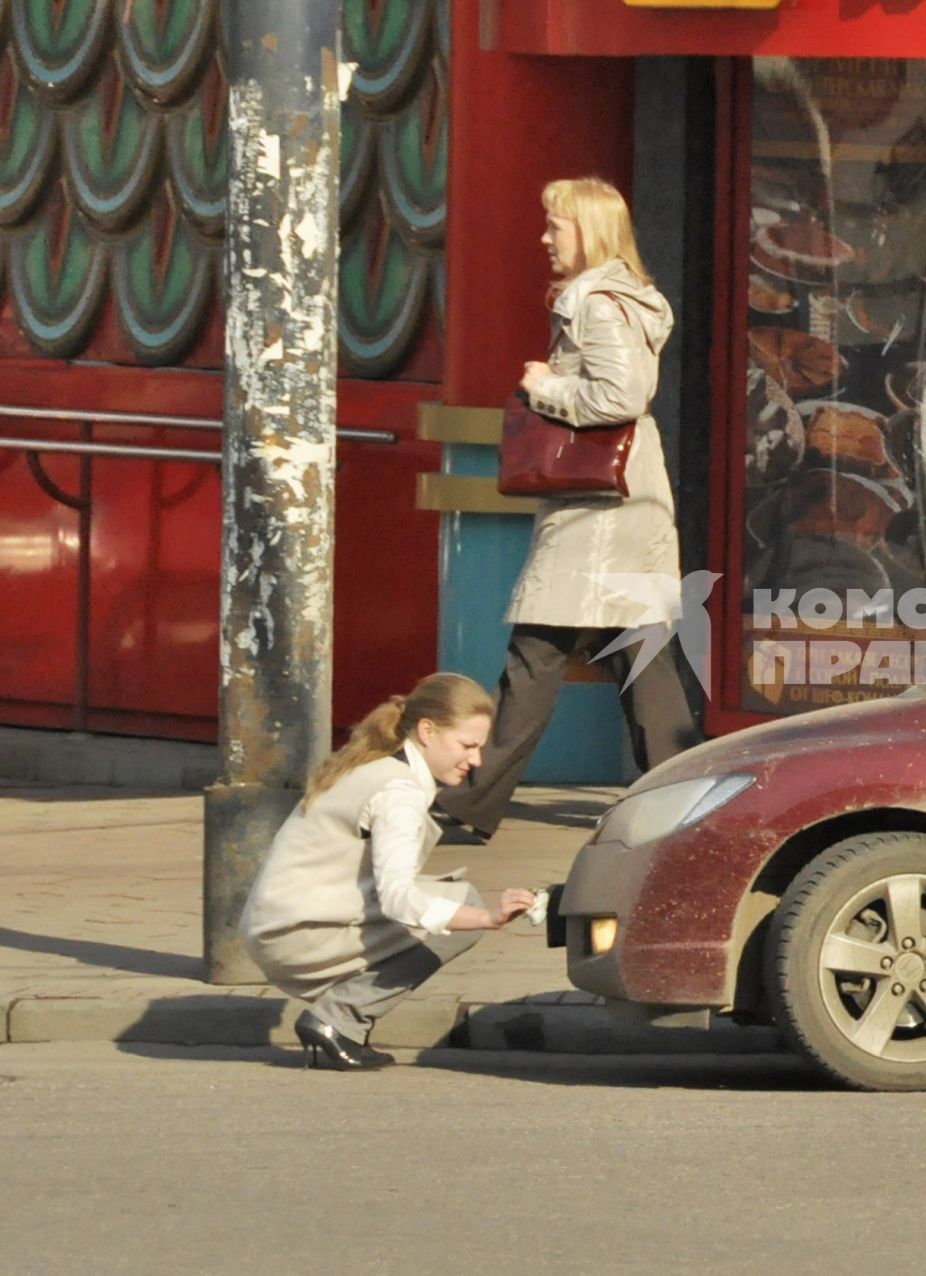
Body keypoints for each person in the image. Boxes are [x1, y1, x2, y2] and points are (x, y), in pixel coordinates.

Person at [435, 176, 701, 841]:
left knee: (538, 653)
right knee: (639, 656)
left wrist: (545, 386)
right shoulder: (626, 299)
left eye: (557, 226)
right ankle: (685, 801)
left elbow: (619, 396)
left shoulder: (597, 303)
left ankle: (470, 802)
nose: (545, 237)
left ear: (591, 231)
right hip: (625, 505)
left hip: (597, 512)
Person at [241, 673, 538, 1070]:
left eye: (480, 747)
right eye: (467, 745)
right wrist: (487, 919)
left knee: (449, 901)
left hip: (278, 924)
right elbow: (398, 899)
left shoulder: (376, 765)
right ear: (427, 730)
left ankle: (341, 1016)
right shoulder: (399, 791)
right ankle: (340, 1019)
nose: (476, 760)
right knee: (462, 906)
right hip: (294, 935)